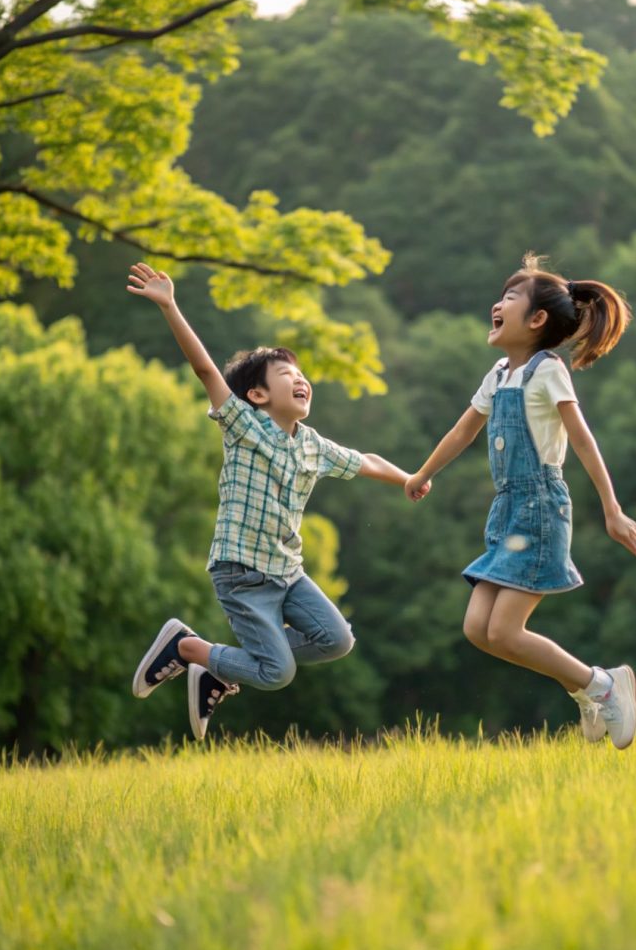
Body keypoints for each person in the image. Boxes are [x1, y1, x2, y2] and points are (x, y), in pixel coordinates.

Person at [127, 262, 429, 739]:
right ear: (257, 394)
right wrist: (169, 304)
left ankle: (220, 668)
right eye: (288, 373)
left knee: (337, 640)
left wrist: (408, 477)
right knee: (276, 672)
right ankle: (189, 649)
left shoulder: (312, 444)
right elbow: (205, 368)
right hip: (242, 573)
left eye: (303, 373)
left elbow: (366, 459)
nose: (302, 379)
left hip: (288, 573)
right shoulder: (243, 425)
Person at [405, 255, 636, 748]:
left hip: (540, 510)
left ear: (537, 319)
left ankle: (601, 685)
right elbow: (463, 430)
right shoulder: (498, 374)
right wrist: (424, 472)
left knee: (505, 629)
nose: (498, 305)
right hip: (506, 512)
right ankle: (587, 688)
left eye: (511, 298)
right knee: (480, 630)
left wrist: (612, 509)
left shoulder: (548, 371)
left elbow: (582, 439)